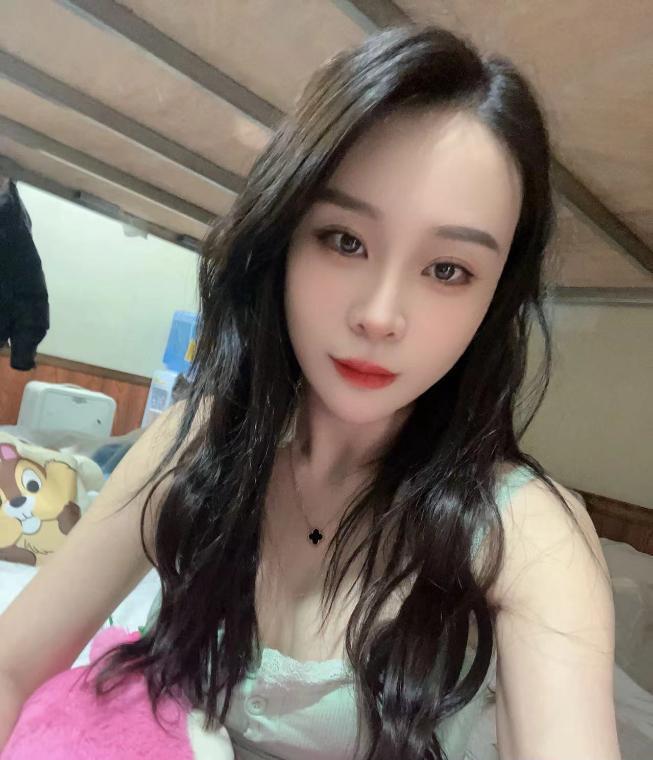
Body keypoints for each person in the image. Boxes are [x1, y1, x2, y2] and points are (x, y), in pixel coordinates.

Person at [0, 24, 620, 760]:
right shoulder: (195, 442)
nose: (379, 316)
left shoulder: (525, 536)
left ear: (495, 296)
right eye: (345, 240)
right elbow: (12, 666)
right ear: (284, 239)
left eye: (447, 270)